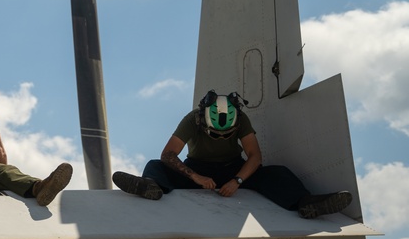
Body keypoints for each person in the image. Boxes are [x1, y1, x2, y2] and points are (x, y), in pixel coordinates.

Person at [111, 90, 352, 219]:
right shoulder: (191, 118)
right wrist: (196, 177)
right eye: (215, 133)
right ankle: (151, 187)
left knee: (277, 174)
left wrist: (237, 180)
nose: (221, 137)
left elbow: (255, 156)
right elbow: (169, 154)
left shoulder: (242, 118)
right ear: (203, 120)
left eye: (227, 134)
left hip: (232, 167)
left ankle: (306, 204)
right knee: (156, 165)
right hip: (197, 167)